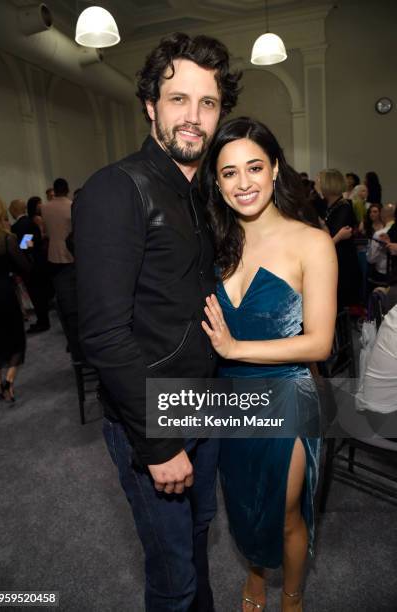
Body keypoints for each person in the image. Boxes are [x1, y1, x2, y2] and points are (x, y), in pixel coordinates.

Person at [73, 32, 241, 612]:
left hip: (203, 404)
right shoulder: (119, 188)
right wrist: (159, 442)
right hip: (153, 418)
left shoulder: (199, 192)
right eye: (178, 100)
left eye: (208, 103)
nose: (193, 117)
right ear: (151, 105)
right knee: (174, 579)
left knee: (197, 544)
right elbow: (102, 334)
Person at [200, 117, 337, 612]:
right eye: (229, 172)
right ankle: (256, 576)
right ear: (216, 181)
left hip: (286, 393)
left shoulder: (311, 242)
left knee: (283, 512)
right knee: (241, 504)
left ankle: (293, 597)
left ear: (275, 168)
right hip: (230, 396)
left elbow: (319, 343)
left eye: (254, 167)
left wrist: (235, 348)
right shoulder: (213, 244)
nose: (243, 183)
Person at [0, 196, 31, 402]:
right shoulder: (6, 239)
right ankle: (8, 380)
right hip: (4, 294)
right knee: (16, 341)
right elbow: (23, 266)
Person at [316, 169, 361, 310]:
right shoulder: (325, 205)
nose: (316, 184)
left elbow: (331, 238)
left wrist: (324, 226)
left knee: (338, 306)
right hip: (331, 259)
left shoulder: (344, 207)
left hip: (342, 263)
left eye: (319, 181)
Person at [41, 177, 73, 280]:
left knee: (59, 285)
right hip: (70, 252)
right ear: (67, 190)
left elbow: (46, 230)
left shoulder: (45, 207)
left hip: (53, 252)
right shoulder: (72, 205)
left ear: (54, 191)